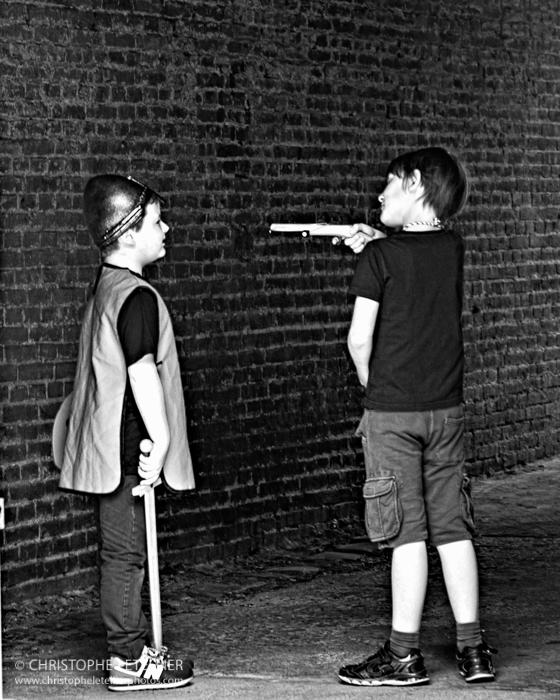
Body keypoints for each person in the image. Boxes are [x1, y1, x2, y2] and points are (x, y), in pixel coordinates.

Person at [338, 147, 496, 687]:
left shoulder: (377, 260)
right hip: (446, 412)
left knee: (405, 533)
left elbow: (359, 338)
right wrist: (382, 241)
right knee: (453, 529)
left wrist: (371, 383)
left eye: (389, 184)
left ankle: (403, 656)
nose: (379, 195)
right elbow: (419, 250)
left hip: (393, 413)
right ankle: (473, 650)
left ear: (414, 183)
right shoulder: (454, 247)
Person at [59, 174, 196, 692]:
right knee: (126, 553)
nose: (167, 229)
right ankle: (128, 658)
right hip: (127, 446)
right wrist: (159, 441)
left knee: (122, 549)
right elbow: (141, 371)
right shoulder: (136, 295)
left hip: (108, 441)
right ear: (130, 233)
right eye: (158, 221)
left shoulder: (105, 287)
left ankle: (132, 651)